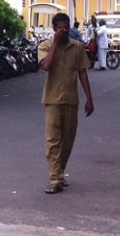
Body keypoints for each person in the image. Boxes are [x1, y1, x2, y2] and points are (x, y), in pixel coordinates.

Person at [38, 12, 94, 193]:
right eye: (60, 28)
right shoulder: (45, 46)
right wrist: (55, 43)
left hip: (71, 100)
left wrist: (89, 98)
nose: (63, 31)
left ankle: (59, 172)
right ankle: (55, 179)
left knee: (67, 141)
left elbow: (82, 73)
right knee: (53, 140)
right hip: (52, 100)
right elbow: (45, 66)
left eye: (66, 27)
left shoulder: (77, 48)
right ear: (54, 29)